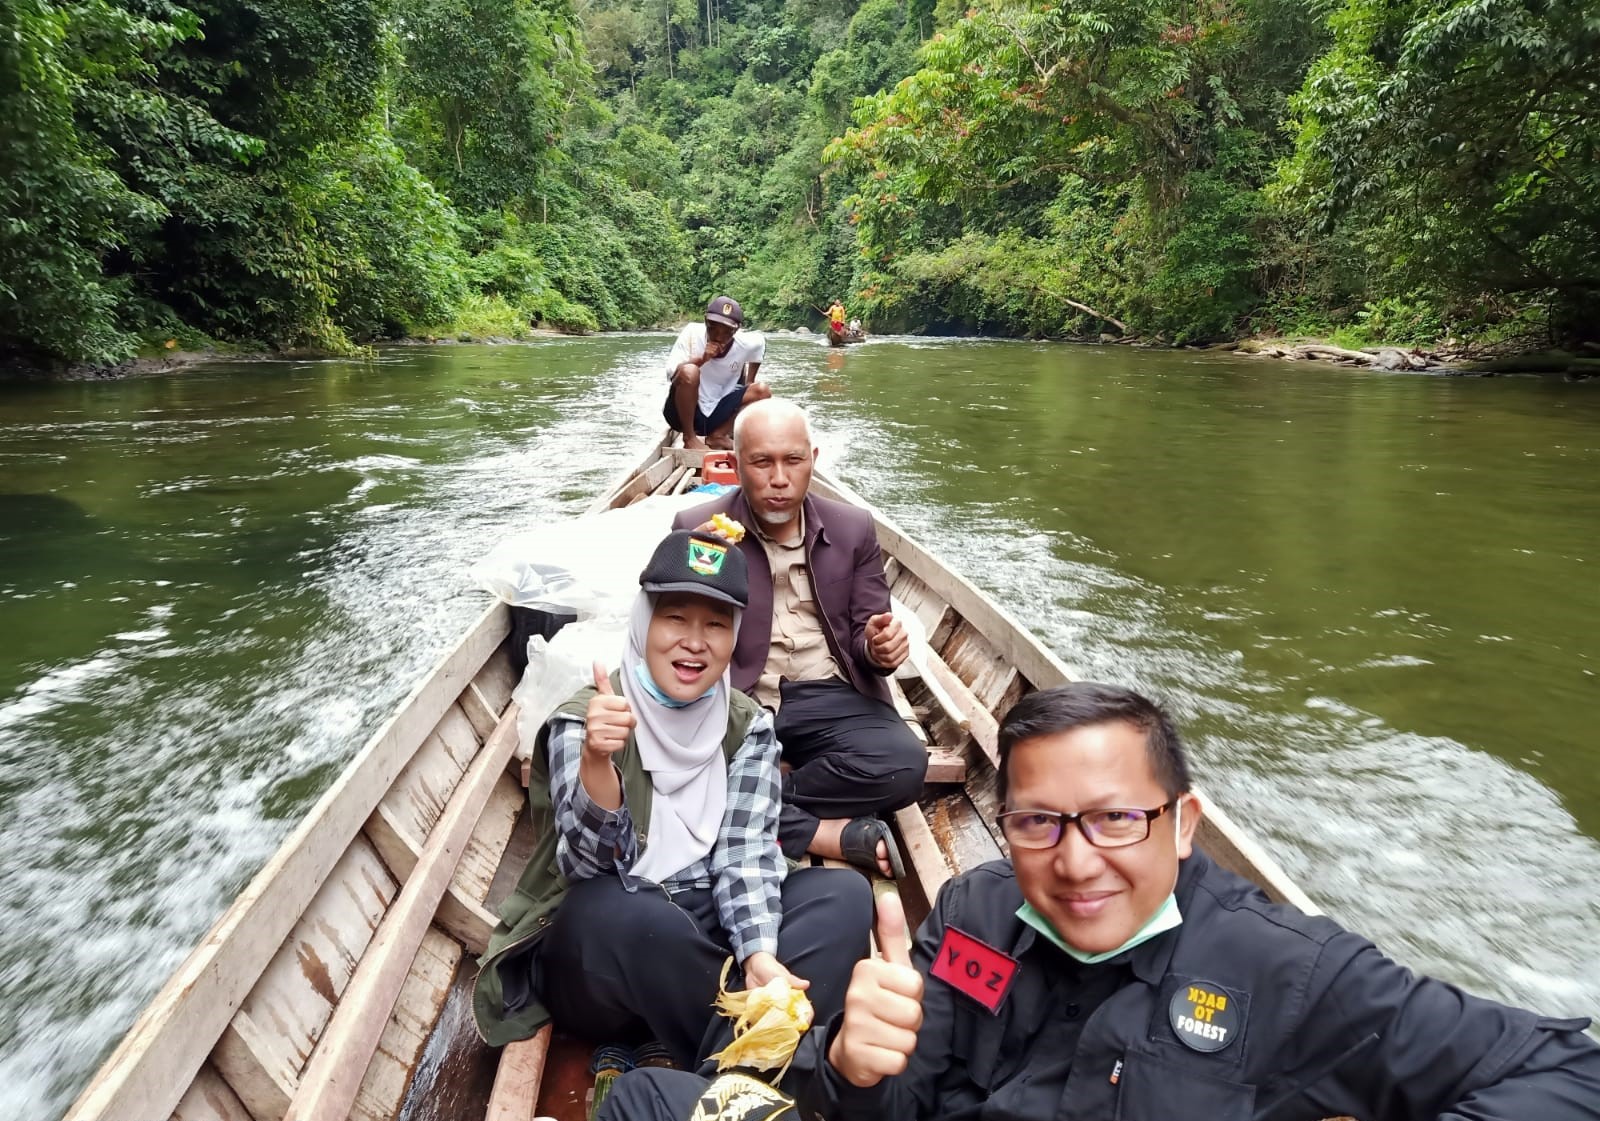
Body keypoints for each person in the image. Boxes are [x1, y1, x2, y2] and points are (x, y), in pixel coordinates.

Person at [601, 682, 1600, 1120]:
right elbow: (907, 1103)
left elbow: (1568, 1069)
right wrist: (859, 1069)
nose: (1077, 861)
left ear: (1182, 819)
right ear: (1009, 823)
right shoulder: (974, 920)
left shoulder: (1285, 968)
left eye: (1116, 818)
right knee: (648, 1098)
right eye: (1039, 821)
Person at [472, 528, 872, 1070]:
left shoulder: (747, 727)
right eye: (675, 618)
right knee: (615, 915)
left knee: (844, 894)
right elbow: (589, 865)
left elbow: (745, 855)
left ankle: (732, 1058)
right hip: (607, 949)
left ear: (734, 637)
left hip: (705, 927)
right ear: (644, 622)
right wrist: (597, 761)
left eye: (715, 624)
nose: (695, 641)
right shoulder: (585, 717)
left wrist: (758, 954)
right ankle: (783, 1065)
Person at [673, 399, 928, 881]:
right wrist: (696, 564)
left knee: (904, 764)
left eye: (793, 461)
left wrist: (877, 650)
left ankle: (755, 795)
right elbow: (676, 635)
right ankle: (819, 832)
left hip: (828, 690)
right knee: (663, 765)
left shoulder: (853, 529)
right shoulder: (697, 528)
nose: (779, 478)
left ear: (814, 458)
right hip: (738, 697)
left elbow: (867, 632)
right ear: (734, 462)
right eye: (761, 462)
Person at [666, 296, 773, 451]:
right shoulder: (691, 333)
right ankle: (689, 438)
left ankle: (718, 436)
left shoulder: (746, 343)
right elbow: (672, 374)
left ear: (736, 330)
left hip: (717, 414)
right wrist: (702, 359)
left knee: (762, 390)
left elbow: (760, 346)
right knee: (690, 371)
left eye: (726, 332)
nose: (718, 336)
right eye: (712, 328)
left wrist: (750, 380)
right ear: (705, 322)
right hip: (682, 415)